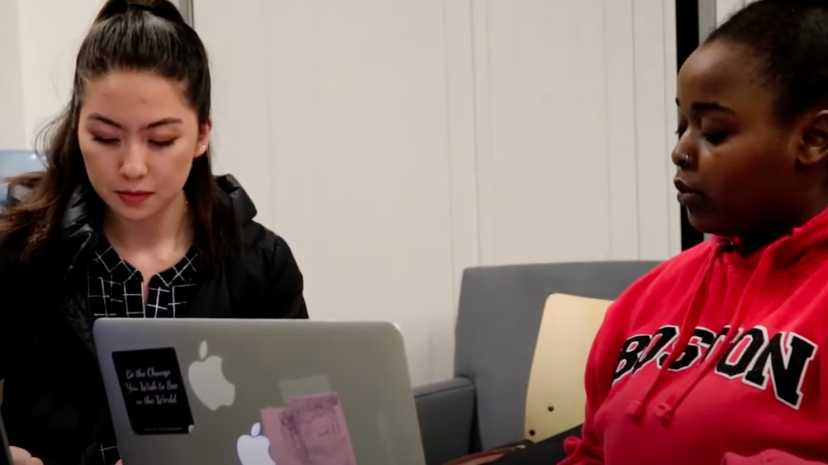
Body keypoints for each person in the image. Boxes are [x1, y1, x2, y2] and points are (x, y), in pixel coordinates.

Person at [0, 1, 308, 464]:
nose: (132, 167)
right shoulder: (23, 257)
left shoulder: (261, 265)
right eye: (104, 137)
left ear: (202, 135)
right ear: (78, 125)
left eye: (161, 140)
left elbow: (301, 441)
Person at [558, 1, 828, 464]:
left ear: (812, 139)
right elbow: (592, 452)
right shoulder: (644, 300)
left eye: (714, 132)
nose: (680, 151)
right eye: (682, 124)